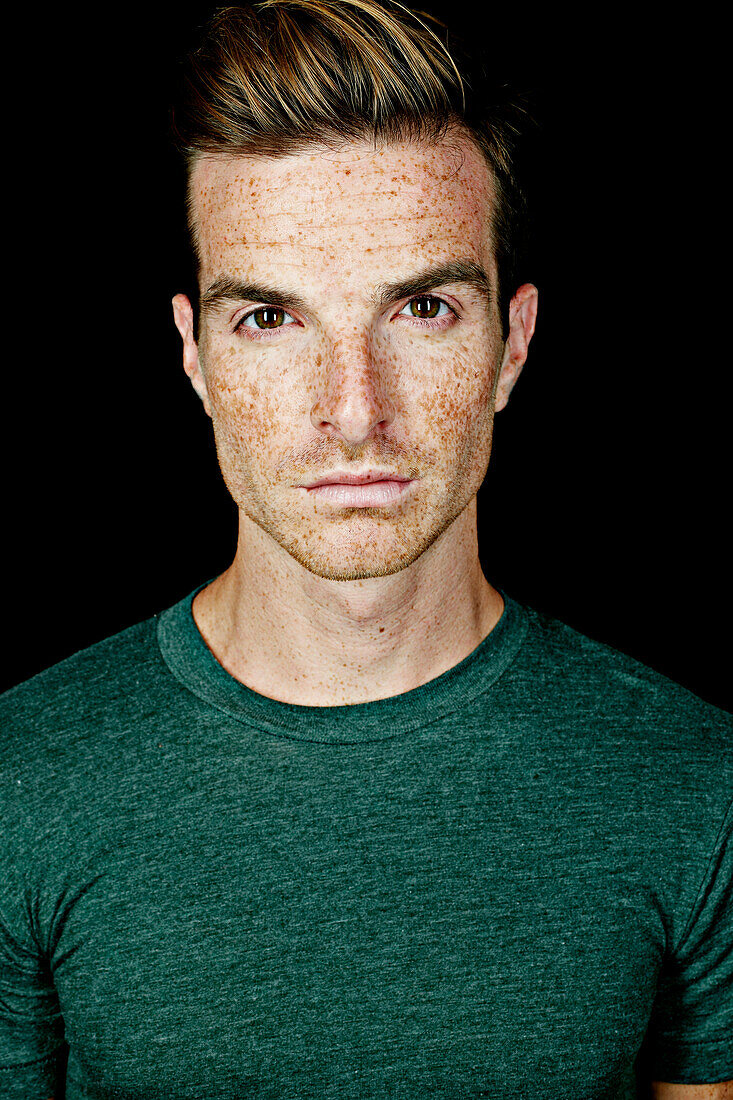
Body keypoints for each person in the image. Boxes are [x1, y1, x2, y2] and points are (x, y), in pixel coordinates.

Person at [1, 1, 731, 1096]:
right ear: (193, 357)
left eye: (422, 307)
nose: (352, 411)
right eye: (269, 319)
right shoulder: (20, 776)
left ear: (511, 345)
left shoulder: (699, 782)